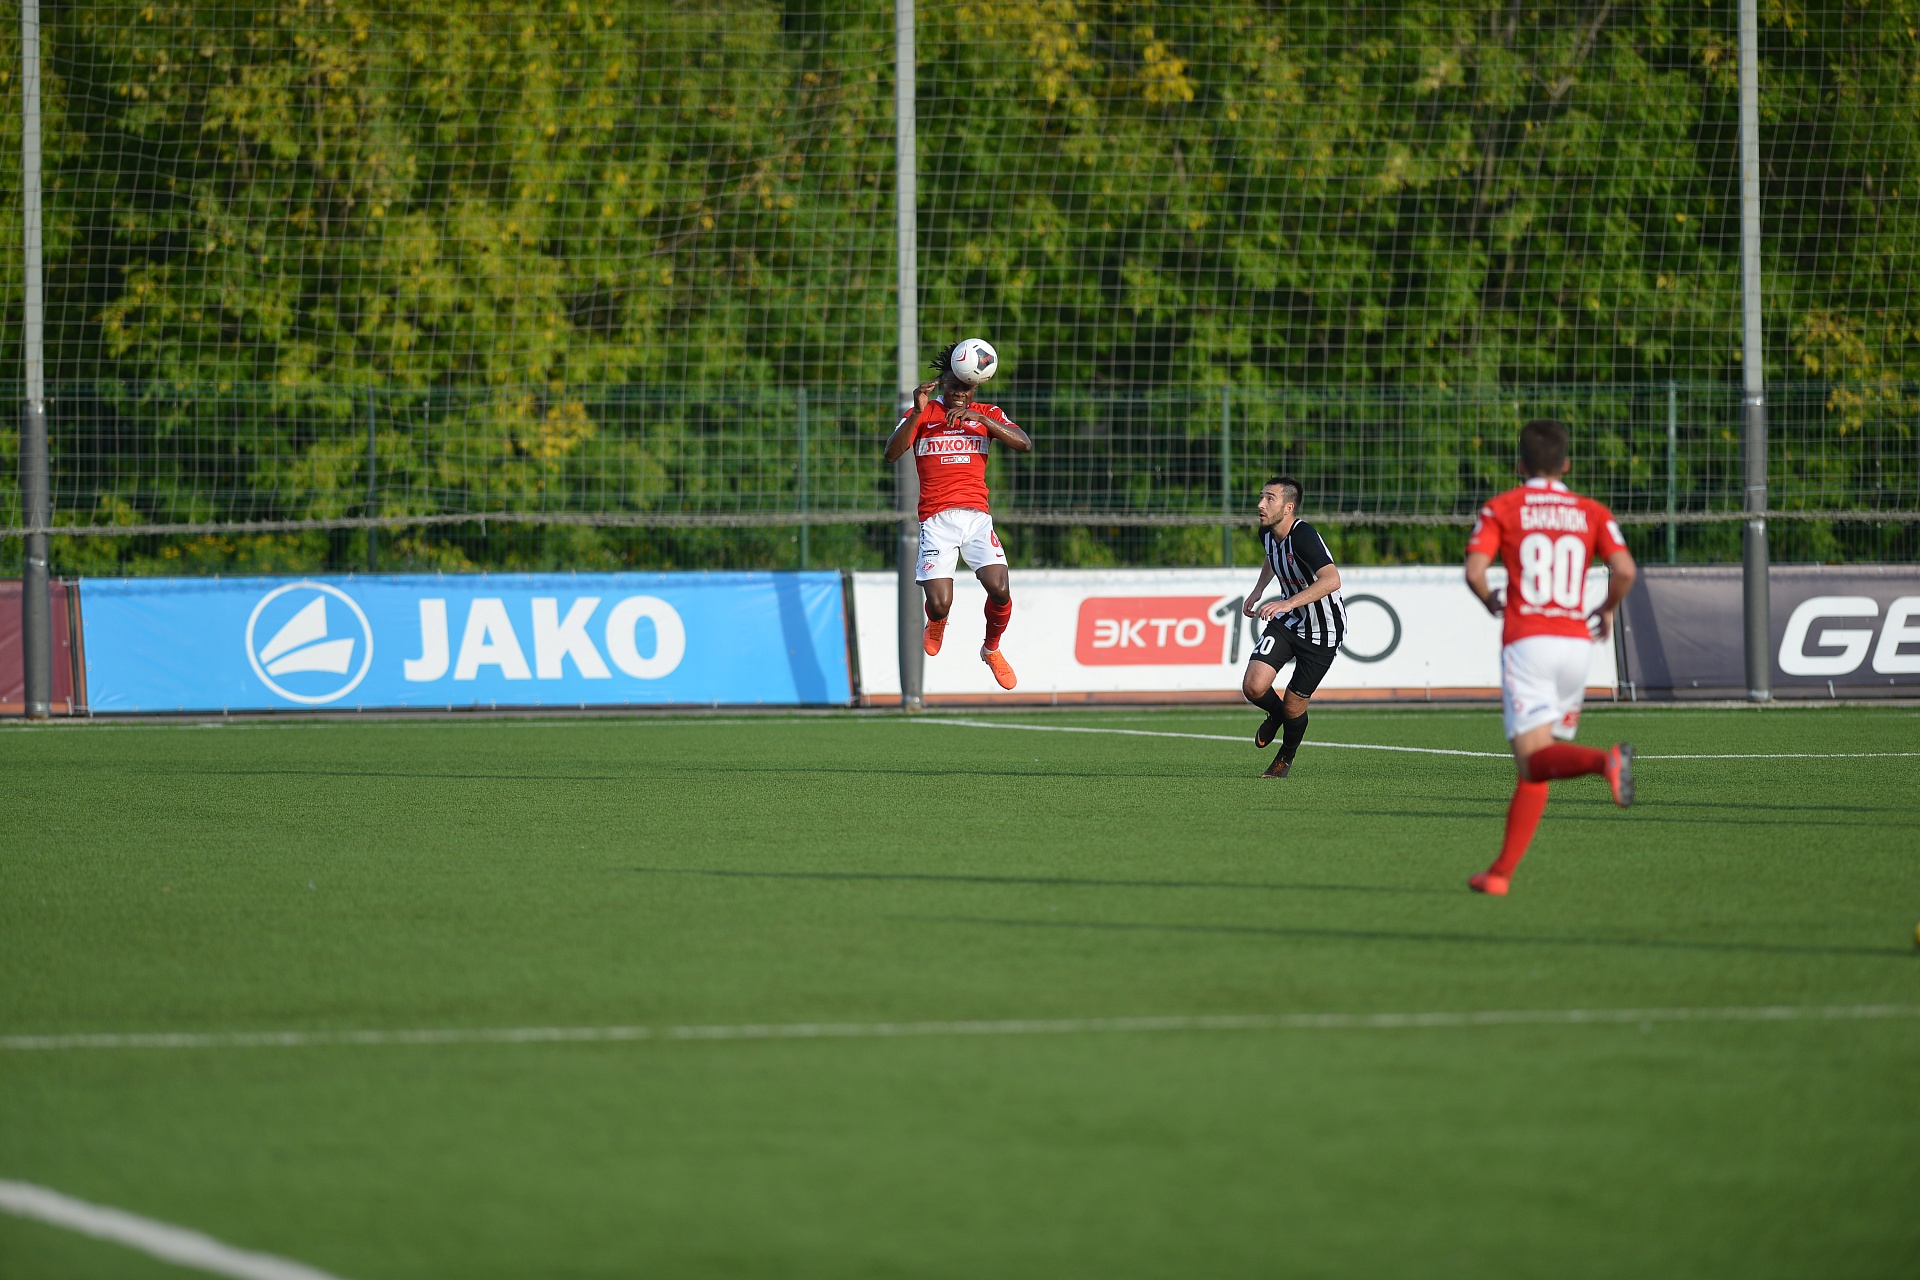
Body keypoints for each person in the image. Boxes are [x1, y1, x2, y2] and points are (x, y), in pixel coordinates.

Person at [1462, 418, 1639, 896]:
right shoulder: (1591, 510)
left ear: (1520, 465)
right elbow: (1624, 570)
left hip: (1529, 642)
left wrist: (1490, 600)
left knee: (1533, 760)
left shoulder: (1503, 506)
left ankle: (1605, 761)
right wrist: (1607, 608)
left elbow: (1475, 570)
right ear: (1566, 465)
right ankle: (1500, 874)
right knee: (1539, 761)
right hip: (1577, 645)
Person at [883, 341, 1032, 689]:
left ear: (976, 385)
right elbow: (891, 454)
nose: (961, 394)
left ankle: (991, 649)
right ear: (943, 383)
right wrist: (916, 412)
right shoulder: (925, 413)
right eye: (954, 386)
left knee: (1000, 588)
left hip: (977, 518)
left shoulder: (987, 413)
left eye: (968, 387)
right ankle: (936, 620)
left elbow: (1024, 443)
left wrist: (982, 419)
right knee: (940, 603)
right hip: (936, 521)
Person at [1240, 476, 1346, 778]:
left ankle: (1285, 756)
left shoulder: (1304, 536)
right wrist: (1259, 589)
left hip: (1322, 630)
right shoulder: (1266, 532)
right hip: (1289, 622)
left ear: (1288, 508)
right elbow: (1272, 558)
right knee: (1253, 686)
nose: (1261, 504)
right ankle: (1276, 715)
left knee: (1293, 704)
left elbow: (1332, 580)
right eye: (1261, 496)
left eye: (1269, 498)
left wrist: (1288, 603)